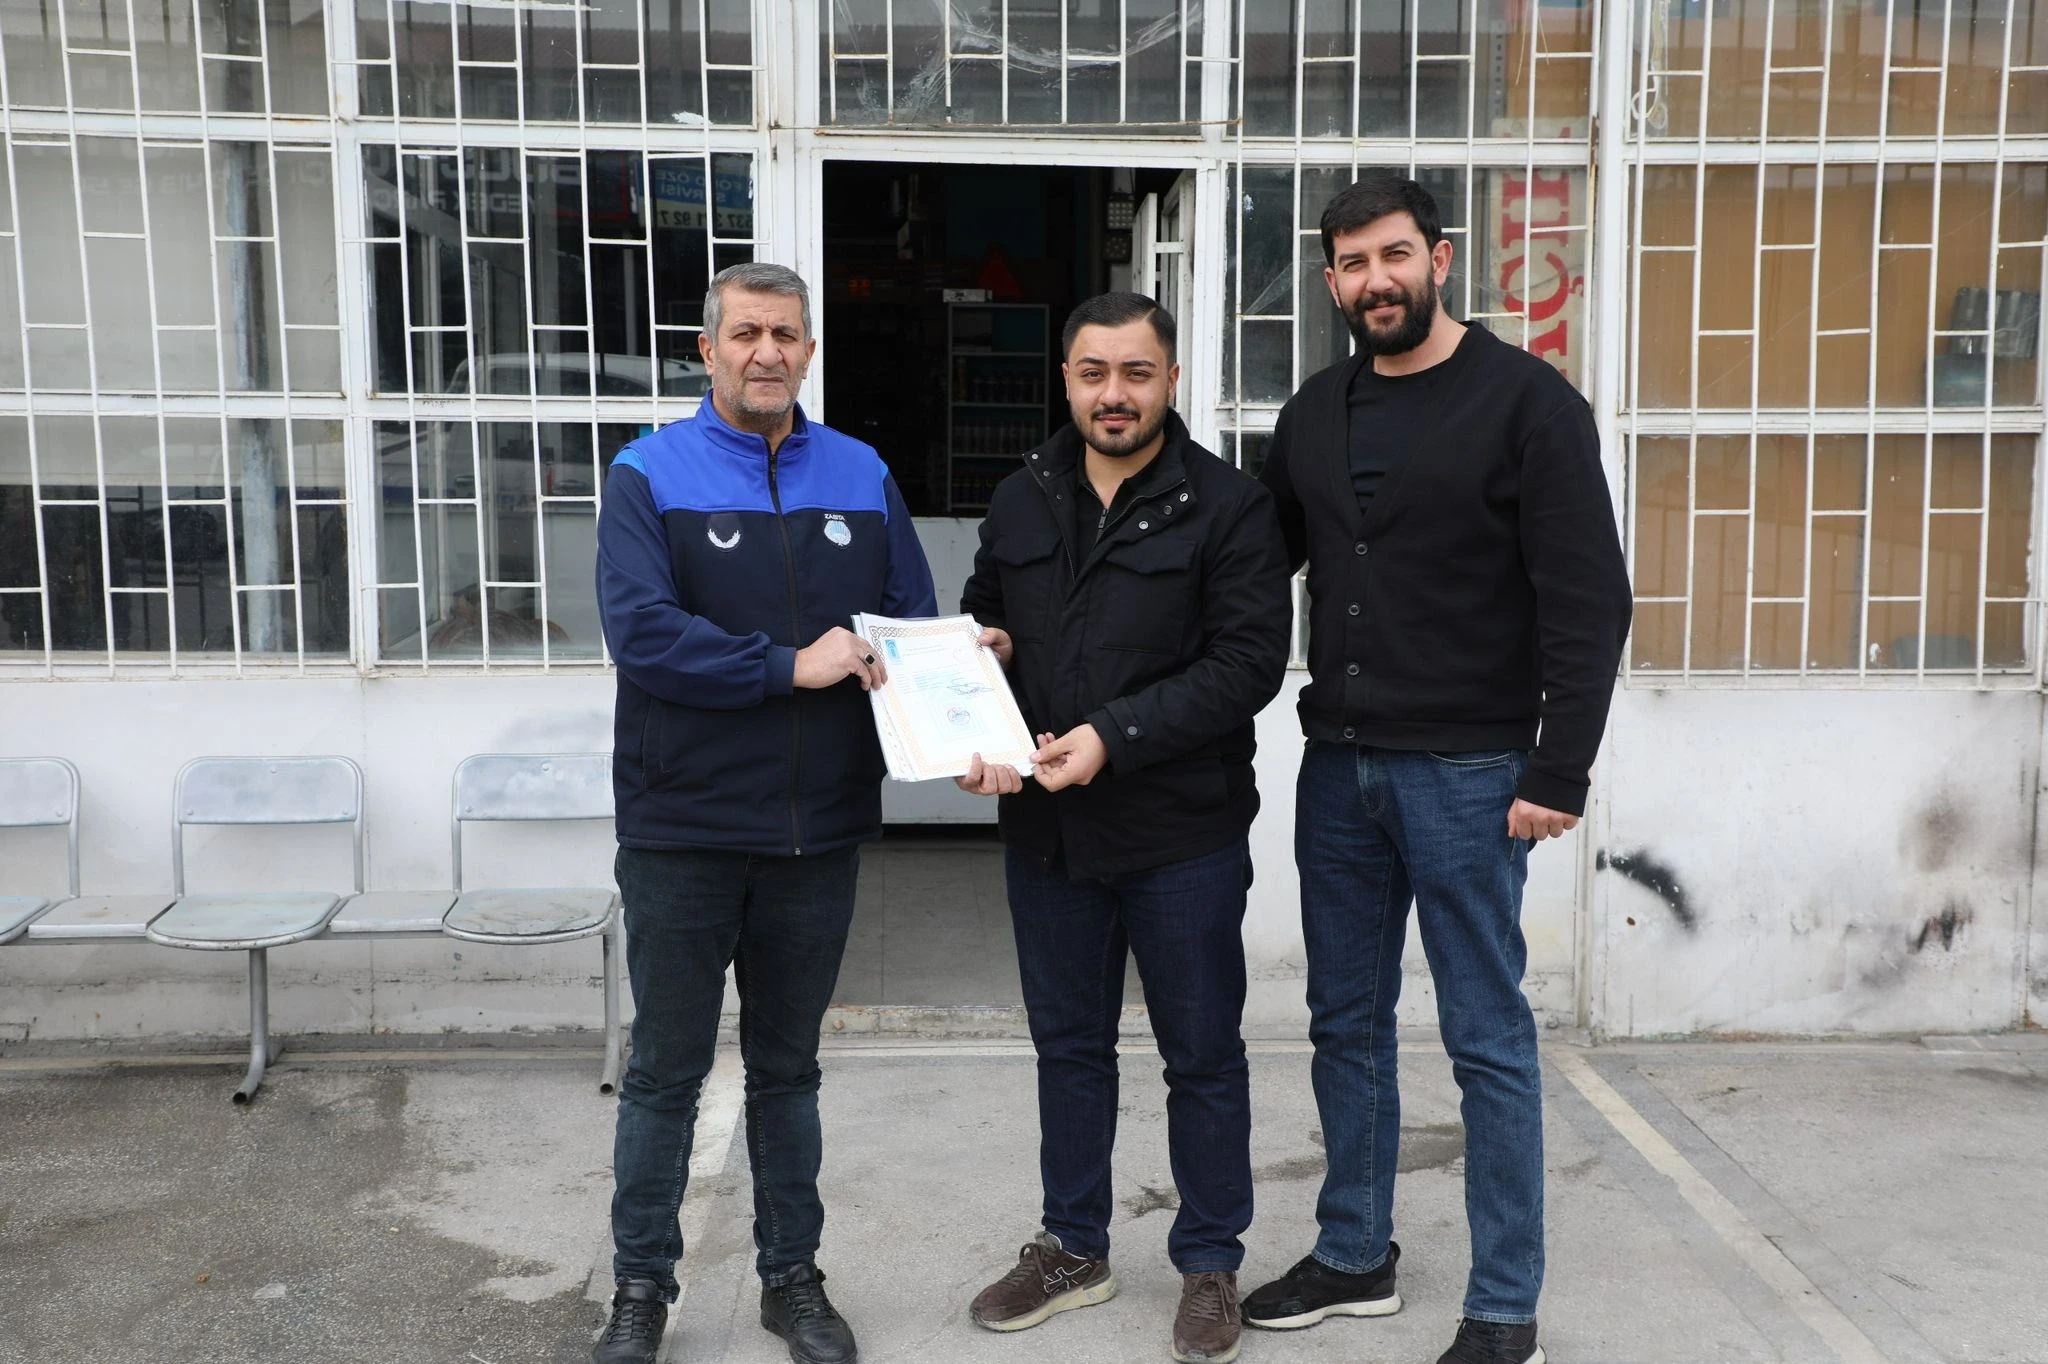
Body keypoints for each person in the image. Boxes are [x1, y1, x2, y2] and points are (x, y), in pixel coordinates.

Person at [1242, 175, 1632, 1364]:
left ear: (1440, 259)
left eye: (1394, 255)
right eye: (1353, 263)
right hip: (1339, 766)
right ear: (1330, 281)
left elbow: (1587, 599)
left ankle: (1503, 1304)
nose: (1376, 280)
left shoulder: (1528, 403)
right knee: (1341, 1022)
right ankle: (1353, 1251)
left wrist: (1557, 768)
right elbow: (1247, 566)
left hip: (1471, 769)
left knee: (1483, 1035)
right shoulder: (1313, 413)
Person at [590, 261, 937, 1364]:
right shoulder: (648, 472)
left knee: (789, 1072)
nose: (767, 353)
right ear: (708, 350)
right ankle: (640, 1290)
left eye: (785, 334)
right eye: (745, 333)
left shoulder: (860, 470)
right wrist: (790, 665)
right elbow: (643, 635)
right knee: (665, 1073)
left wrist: (955, 670)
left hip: (815, 830)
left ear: (809, 350)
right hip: (683, 829)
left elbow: (908, 620)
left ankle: (793, 1279)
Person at [956, 292, 1293, 1364]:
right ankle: (1073, 1248)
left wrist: (1114, 732)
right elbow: (983, 618)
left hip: (1180, 833)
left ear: (1170, 380)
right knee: (1068, 1048)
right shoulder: (1021, 495)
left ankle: (1209, 1260)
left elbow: (1247, 663)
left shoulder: (1229, 505)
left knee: (1201, 1055)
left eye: (1137, 373)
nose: (1115, 394)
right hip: (1048, 833)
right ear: (1066, 379)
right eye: (1094, 372)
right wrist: (978, 688)